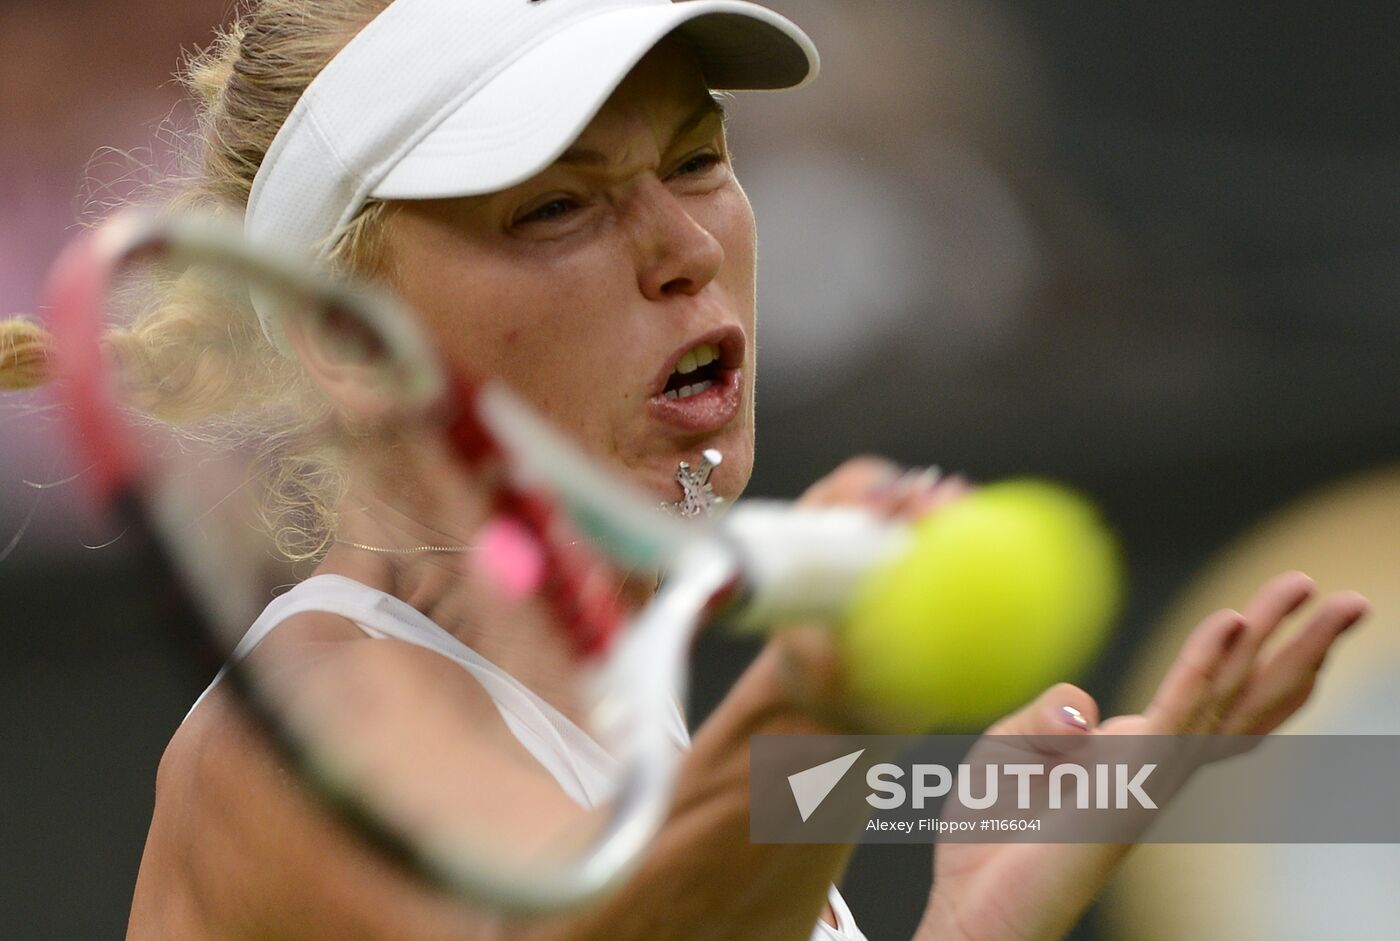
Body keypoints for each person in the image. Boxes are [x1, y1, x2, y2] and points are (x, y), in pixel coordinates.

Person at [0, 1, 1370, 939]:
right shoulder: (300, 733)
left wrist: (977, 909)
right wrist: (820, 709)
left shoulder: (629, 726)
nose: (683, 243)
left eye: (697, 156)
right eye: (554, 205)